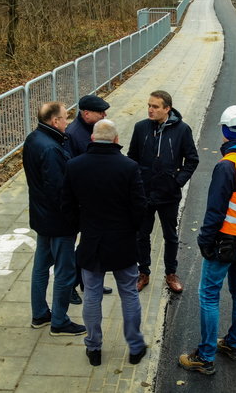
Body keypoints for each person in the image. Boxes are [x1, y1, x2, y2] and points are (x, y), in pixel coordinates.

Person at [179, 106, 236, 375]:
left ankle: (205, 357)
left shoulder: (227, 166)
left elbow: (215, 211)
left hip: (224, 243)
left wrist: (206, 242)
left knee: (208, 295)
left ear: (225, 131)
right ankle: (233, 344)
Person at [62, 119, 148, 367]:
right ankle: (135, 347)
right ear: (116, 139)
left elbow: (66, 205)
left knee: (91, 295)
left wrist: (82, 227)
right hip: (122, 242)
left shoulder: (75, 166)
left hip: (92, 242)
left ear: (92, 139)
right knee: (129, 294)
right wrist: (130, 229)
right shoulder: (129, 167)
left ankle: (94, 348)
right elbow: (139, 206)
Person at [22, 101, 86, 336]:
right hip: (59, 221)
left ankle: (40, 314)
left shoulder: (33, 138)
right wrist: (75, 218)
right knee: (65, 272)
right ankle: (59, 321)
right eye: (65, 118)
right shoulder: (51, 149)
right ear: (54, 121)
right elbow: (60, 190)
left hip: (41, 217)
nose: (67, 122)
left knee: (40, 267)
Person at [128, 90, 199, 293]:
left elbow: (192, 160)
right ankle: (143, 272)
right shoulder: (140, 128)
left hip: (168, 195)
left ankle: (170, 273)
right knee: (142, 235)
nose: (150, 110)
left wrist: (177, 181)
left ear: (167, 109)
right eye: (149, 105)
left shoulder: (182, 130)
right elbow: (132, 157)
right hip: (144, 193)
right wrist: (135, 184)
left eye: (155, 106)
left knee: (171, 236)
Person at [66, 95, 113, 300]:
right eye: (100, 112)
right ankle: (71, 286)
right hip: (83, 200)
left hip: (95, 198)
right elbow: (73, 169)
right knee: (82, 246)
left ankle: (88, 283)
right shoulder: (73, 135)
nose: (105, 115)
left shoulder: (90, 129)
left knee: (92, 243)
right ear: (86, 114)